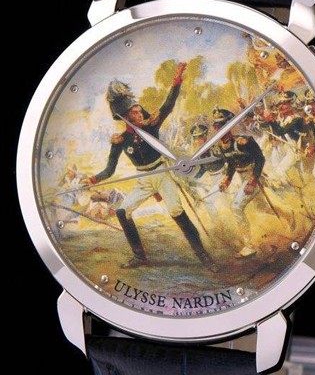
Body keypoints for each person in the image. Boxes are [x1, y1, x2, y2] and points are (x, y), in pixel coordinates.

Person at [84, 63, 217, 272]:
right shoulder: (121, 141)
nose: (140, 114)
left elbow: (169, 104)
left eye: (139, 111)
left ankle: (204, 256)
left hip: (162, 174)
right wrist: (92, 179)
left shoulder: (152, 126)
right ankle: (139, 256)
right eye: (135, 112)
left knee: (176, 211)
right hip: (144, 180)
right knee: (122, 211)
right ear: (125, 117)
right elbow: (109, 170)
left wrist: (177, 79)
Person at [212, 107, 266, 258]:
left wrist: (252, 181)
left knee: (236, 207)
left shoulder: (244, 141)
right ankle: (289, 218)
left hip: (255, 177)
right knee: (263, 208)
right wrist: (227, 181)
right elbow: (231, 164)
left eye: (222, 126)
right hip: (242, 179)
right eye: (216, 126)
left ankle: (249, 246)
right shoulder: (222, 146)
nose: (218, 129)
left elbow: (260, 159)